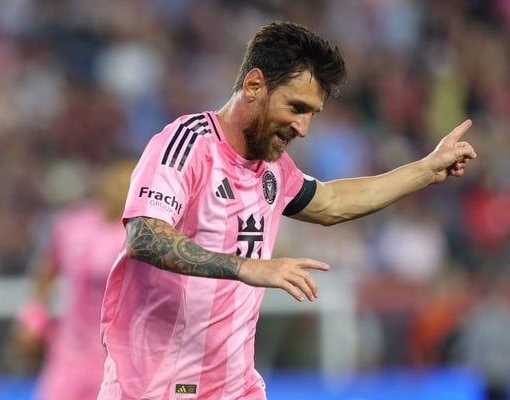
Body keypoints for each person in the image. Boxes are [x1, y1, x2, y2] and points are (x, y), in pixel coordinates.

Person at [97, 21, 476, 400]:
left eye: (312, 113)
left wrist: (425, 171)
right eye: (296, 107)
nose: (303, 127)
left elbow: (331, 202)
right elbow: (144, 235)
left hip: (235, 387)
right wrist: (247, 267)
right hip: (157, 386)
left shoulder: (272, 169)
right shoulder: (189, 144)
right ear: (254, 85)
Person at [11, 158, 134, 400]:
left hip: (122, 358)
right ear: (102, 182)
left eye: (128, 183)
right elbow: (46, 271)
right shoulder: (71, 225)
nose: (120, 189)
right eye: (115, 181)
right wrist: (32, 316)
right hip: (69, 353)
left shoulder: (144, 233)